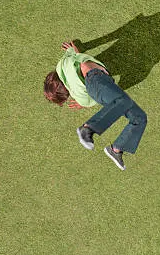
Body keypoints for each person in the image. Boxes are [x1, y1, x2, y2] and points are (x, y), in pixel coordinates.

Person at [43, 41, 147, 170]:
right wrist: (72, 47)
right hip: (96, 80)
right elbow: (74, 51)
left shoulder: (79, 95)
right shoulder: (63, 64)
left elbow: (92, 101)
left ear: (66, 92)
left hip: (95, 82)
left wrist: (83, 103)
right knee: (124, 103)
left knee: (140, 117)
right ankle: (87, 129)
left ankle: (116, 149)